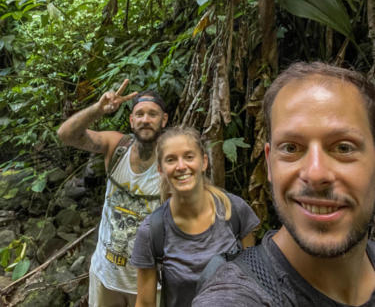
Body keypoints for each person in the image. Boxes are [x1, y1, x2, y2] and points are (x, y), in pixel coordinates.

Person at [193, 62, 375, 306]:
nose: (316, 173)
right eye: (291, 148)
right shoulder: (234, 295)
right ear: (269, 164)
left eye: (343, 147)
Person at [57, 79, 168, 307]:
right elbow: (66, 134)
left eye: (152, 114)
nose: (145, 120)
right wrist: (98, 109)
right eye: (139, 114)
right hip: (106, 276)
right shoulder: (117, 147)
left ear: (164, 120)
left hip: (151, 283)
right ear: (131, 120)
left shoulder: (172, 160)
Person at [130, 126, 260, 307]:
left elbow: (254, 282)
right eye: (171, 160)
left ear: (204, 162)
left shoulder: (235, 211)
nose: (181, 166)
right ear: (160, 169)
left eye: (189, 157)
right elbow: (145, 303)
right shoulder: (153, 232)